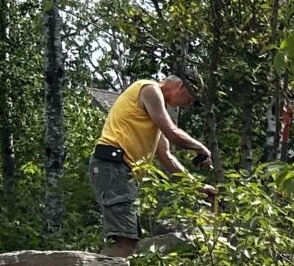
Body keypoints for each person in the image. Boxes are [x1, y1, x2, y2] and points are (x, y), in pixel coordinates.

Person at [89, 72, 212, 253]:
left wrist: (198, 187)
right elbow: (172, 132)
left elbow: (167, 157)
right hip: (113, 165)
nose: (188, 105)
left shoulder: (153, 115)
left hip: (120, 171)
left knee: (128, 238)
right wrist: (201, 147)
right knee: (126, 240)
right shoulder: (149, 89)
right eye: (191, 98)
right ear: (181, 86)